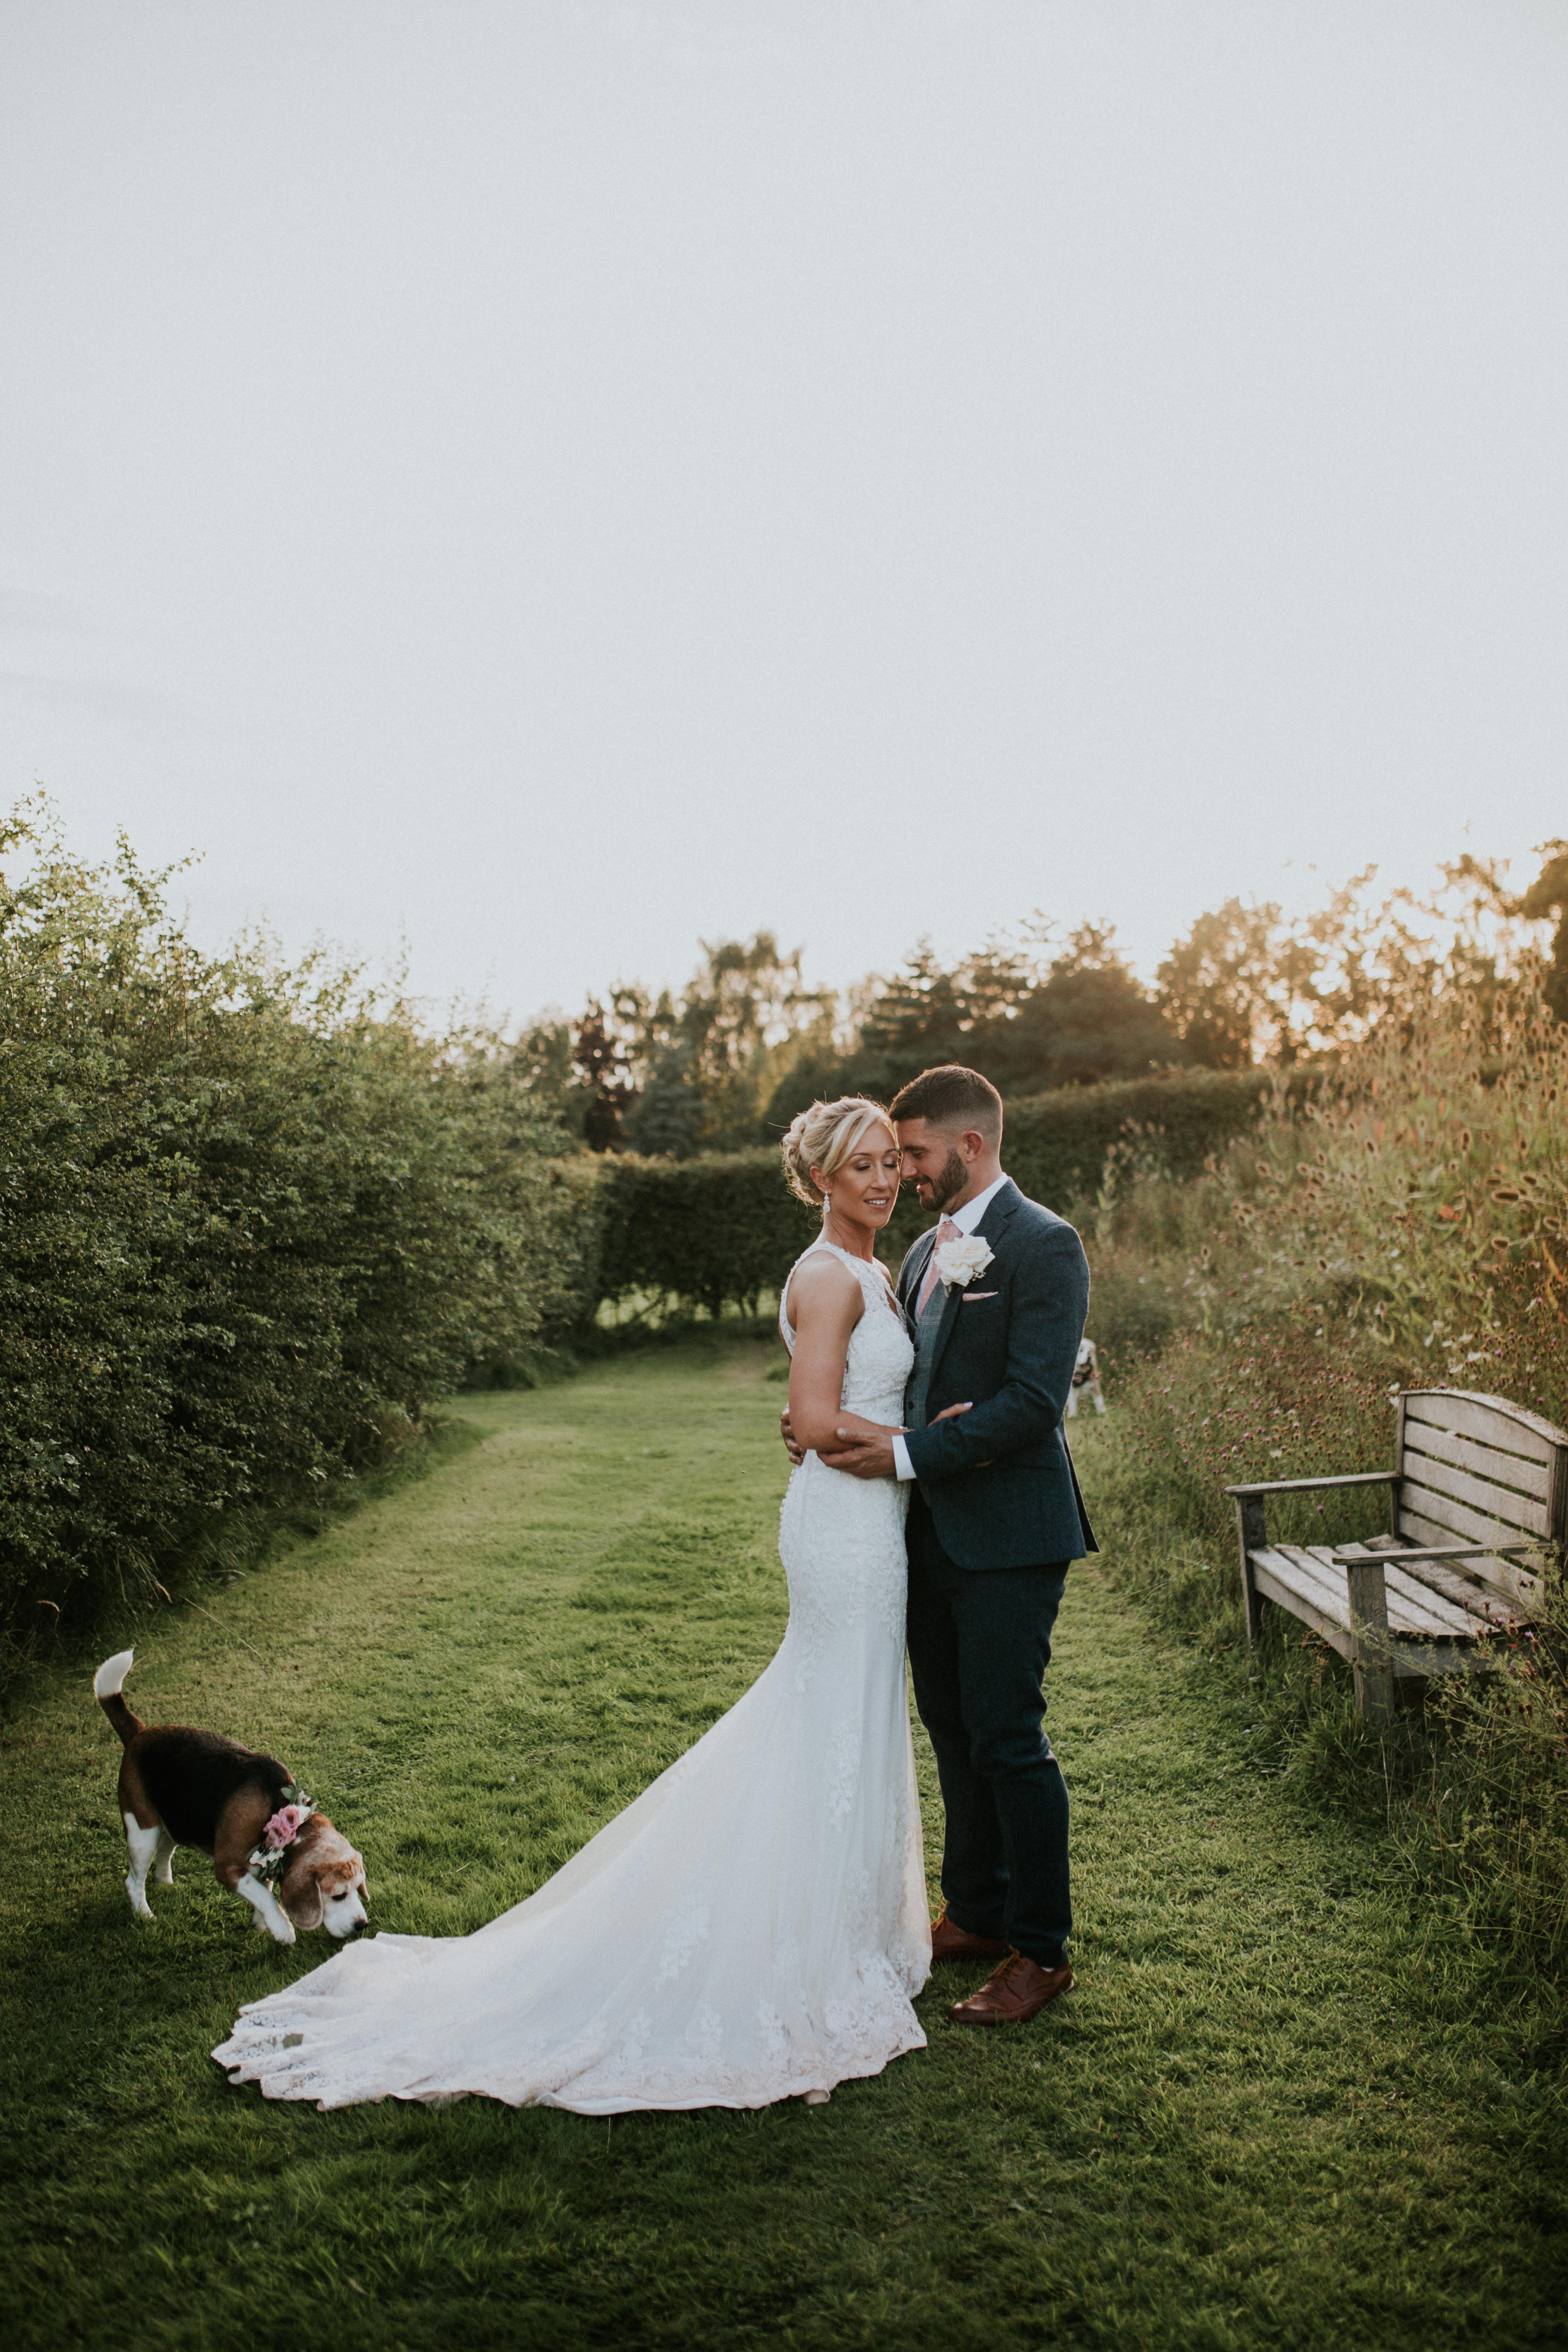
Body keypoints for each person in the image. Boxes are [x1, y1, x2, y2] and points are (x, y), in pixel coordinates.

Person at [212, 1098, 932, 2113]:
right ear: (819, 1178)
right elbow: (814, 1421)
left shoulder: (874, 1272)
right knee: (823, 1718)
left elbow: (838, 1405)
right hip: (844, 1531)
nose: (881, 1178)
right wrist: (920, 1450)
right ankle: (796, 1959)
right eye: (859, 1164)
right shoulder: (825, 1274)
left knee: (847, 1717)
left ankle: (841, 1932)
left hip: (870, 1525)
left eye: (891, 1162)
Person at [787, 1064, 1095, 2026]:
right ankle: (976, 1909)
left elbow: (1033, 1403)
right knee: (953, 1732)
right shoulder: (918, 1254)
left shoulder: (1044, 1244)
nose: (902, 1173)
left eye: (911, 1154)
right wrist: (819, 1423)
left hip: (1008, 1533)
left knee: (1008, 1737)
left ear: (968, 1145)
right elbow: (884, 1385)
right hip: (921, 1537)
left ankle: (1039, 1952)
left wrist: (909, 1450)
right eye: (881, 1159)